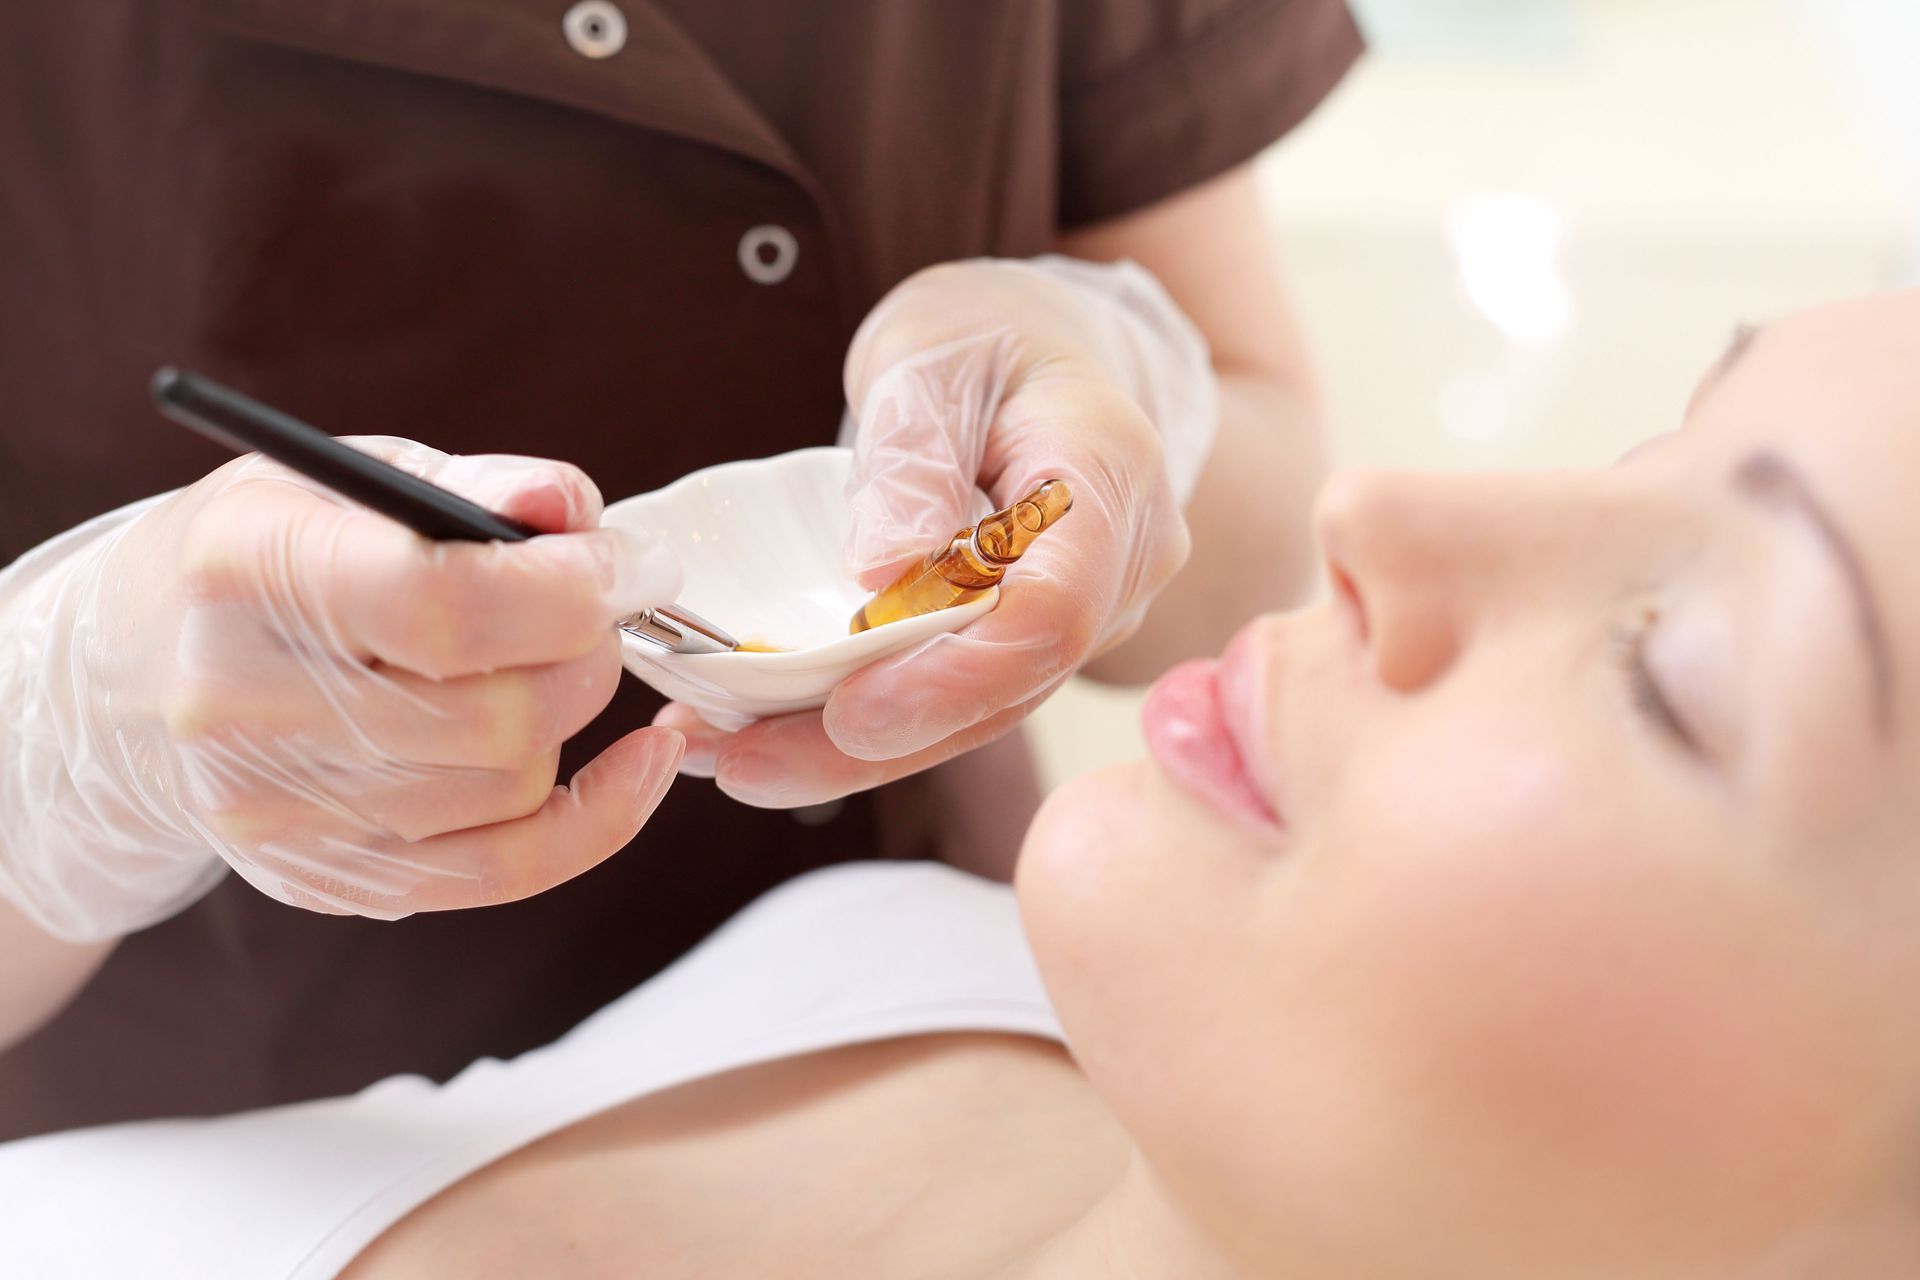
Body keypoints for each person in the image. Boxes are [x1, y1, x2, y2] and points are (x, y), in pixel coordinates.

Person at [8, 289, 1920, 1279]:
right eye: (1645, 441)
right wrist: (61, 742)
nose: (1375, 515)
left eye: (1677, 673)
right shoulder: (889, 950)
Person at [0, 0, 1361, 1136]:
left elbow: (1258, 499)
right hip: (249, 1159)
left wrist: (1109, 378)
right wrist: (72, 729)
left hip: (954, 1052)